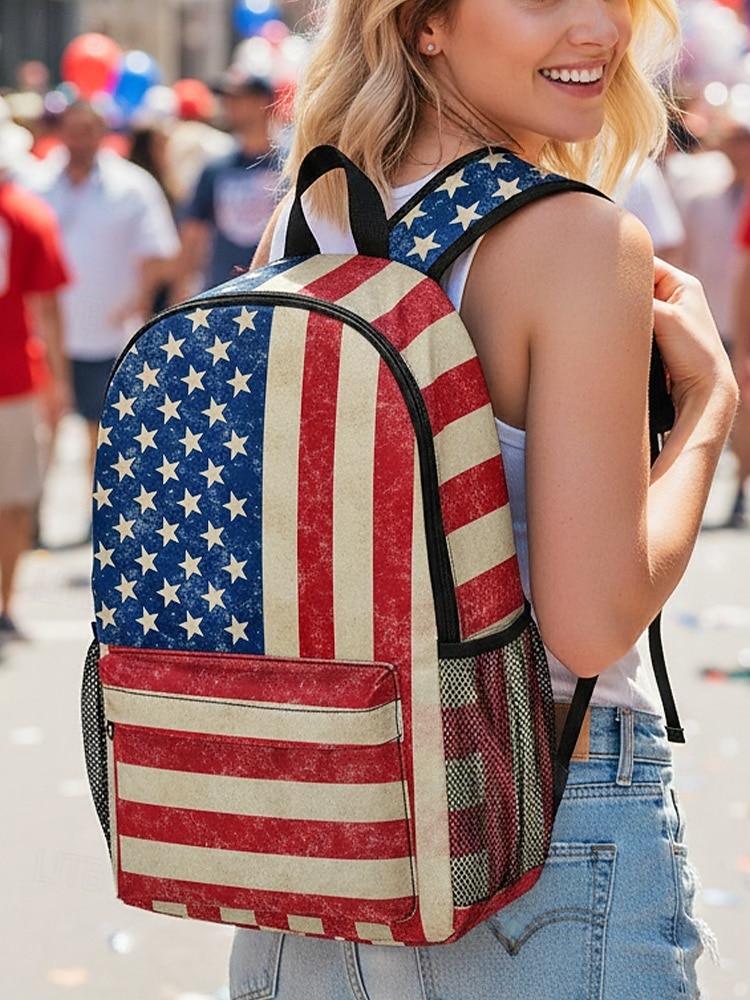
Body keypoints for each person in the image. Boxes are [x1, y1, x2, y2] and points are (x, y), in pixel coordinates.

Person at [230, 1, 738, 998]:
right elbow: (588, 629)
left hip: (312, 825)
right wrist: (711, 407)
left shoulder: (305, 223)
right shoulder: (574, 236)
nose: (599, 30)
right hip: (536, 814)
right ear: (424, 22)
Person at [28, 100, 180, 474]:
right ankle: (31, 526)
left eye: (86, 130)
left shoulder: (133, 186)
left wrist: (138, 299)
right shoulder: (37, 184)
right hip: (46, 339)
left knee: (103, 441)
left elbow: (162, 255)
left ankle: (95, 523)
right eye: (71, 130)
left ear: (101, 133)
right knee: (40, 437)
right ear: (60, 132)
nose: (78, 139)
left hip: (109, 337)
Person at [0, 134, 70, 639]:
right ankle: (3, 603)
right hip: (15, 380)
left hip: (16, 378)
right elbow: (47, 309)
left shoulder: (28, 215)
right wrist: (58, 384)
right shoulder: (28, 215)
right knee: (16, 501)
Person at [668, 110, 750, 528]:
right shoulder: (701, 197)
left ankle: (739, 488)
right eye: (735, 138)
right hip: (713, 321)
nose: (741, 148)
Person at [172, 67, 281, 300]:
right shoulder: (215, 169)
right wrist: (179, 298)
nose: (229, 106)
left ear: (263, 103)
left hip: (278, 299)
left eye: (238, 98)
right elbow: (192, 236)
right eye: (228, 99)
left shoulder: (292, 167)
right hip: (221, 298)